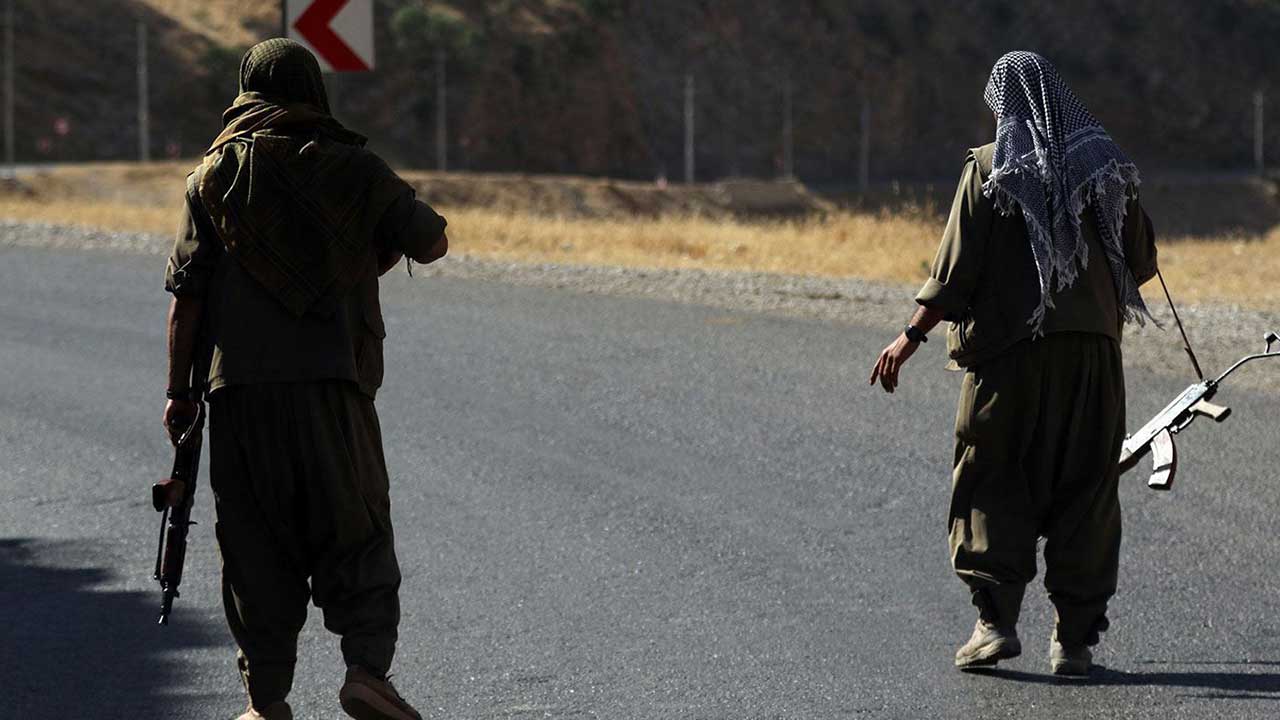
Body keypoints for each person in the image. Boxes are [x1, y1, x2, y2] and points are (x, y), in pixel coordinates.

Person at [161, 39, 447, 720]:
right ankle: (365, 671)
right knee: (356, 529)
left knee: (254, 544)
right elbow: (431, 240)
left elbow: (187, 297)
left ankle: (266, 701)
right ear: (313, 90)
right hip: (334, 389)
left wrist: (179, 394)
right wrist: (362, 254)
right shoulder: (356, 168)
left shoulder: (213, 177)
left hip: (240, 397)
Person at [868, 51, 1159, 677]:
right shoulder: (1108, 166)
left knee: (992, 478)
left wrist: (909, 338)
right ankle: (1073, 641)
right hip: (1093, 362)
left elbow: (954, 275)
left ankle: (994, 625)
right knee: (1087, 489)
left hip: (1010, 358)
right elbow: (1140, 263)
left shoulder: (989, 168)